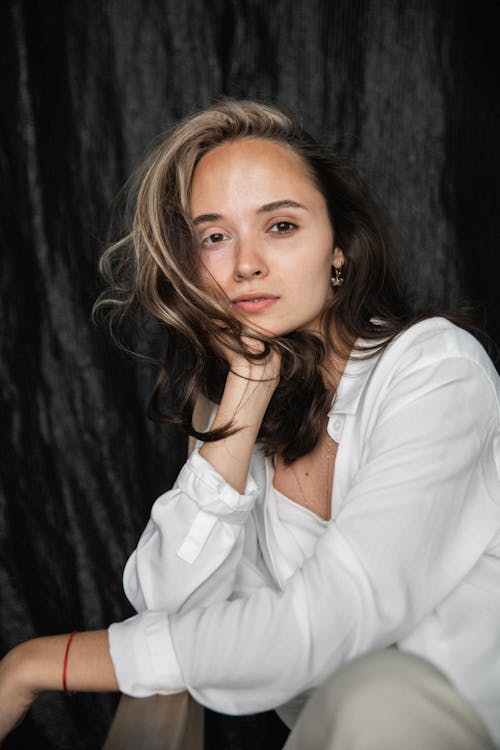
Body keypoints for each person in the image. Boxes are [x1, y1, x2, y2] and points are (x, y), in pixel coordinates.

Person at [1, 99, 499, 749]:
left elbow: (335, 618)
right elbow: (175, 616)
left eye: (281, 225)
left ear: (339, 247)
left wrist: (39, 664)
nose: (245, 264)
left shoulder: (435, 368)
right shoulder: (239, 415)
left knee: (377, 692)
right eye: (214, 236)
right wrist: (246, 391)